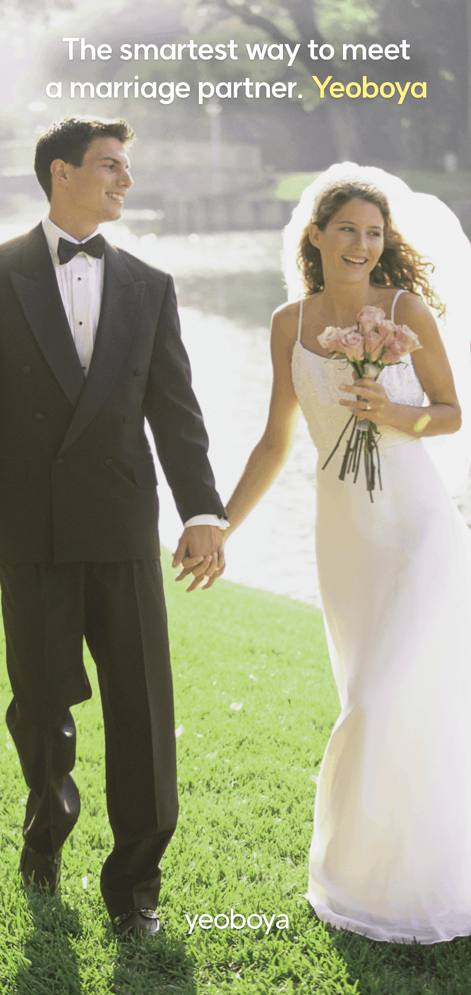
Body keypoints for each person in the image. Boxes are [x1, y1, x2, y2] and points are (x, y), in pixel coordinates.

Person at [222, 163, 471, 943]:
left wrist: (393, 411)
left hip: (417, 528)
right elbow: (273, 441)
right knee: (370, 696)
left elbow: (451, 414)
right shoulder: (287, 325)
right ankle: (374, 879)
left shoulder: (405, 310)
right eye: (348, 231)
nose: (362, 245)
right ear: (316, 238)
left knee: (386, 698)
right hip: (346, 538)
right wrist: (218, 525)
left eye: (373, 233)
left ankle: (423, 882)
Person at [0, 116, 227, 936]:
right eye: (110, 167)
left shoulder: (149, 283)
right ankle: (48, 821)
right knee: (40, 703)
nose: (125, 181)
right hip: (28, 530)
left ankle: (135, 886)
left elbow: (176, 412)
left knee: (140, 706)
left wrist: (203, 511)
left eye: (127, 169)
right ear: (61, 173)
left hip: (124, 525)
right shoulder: (1, 273)